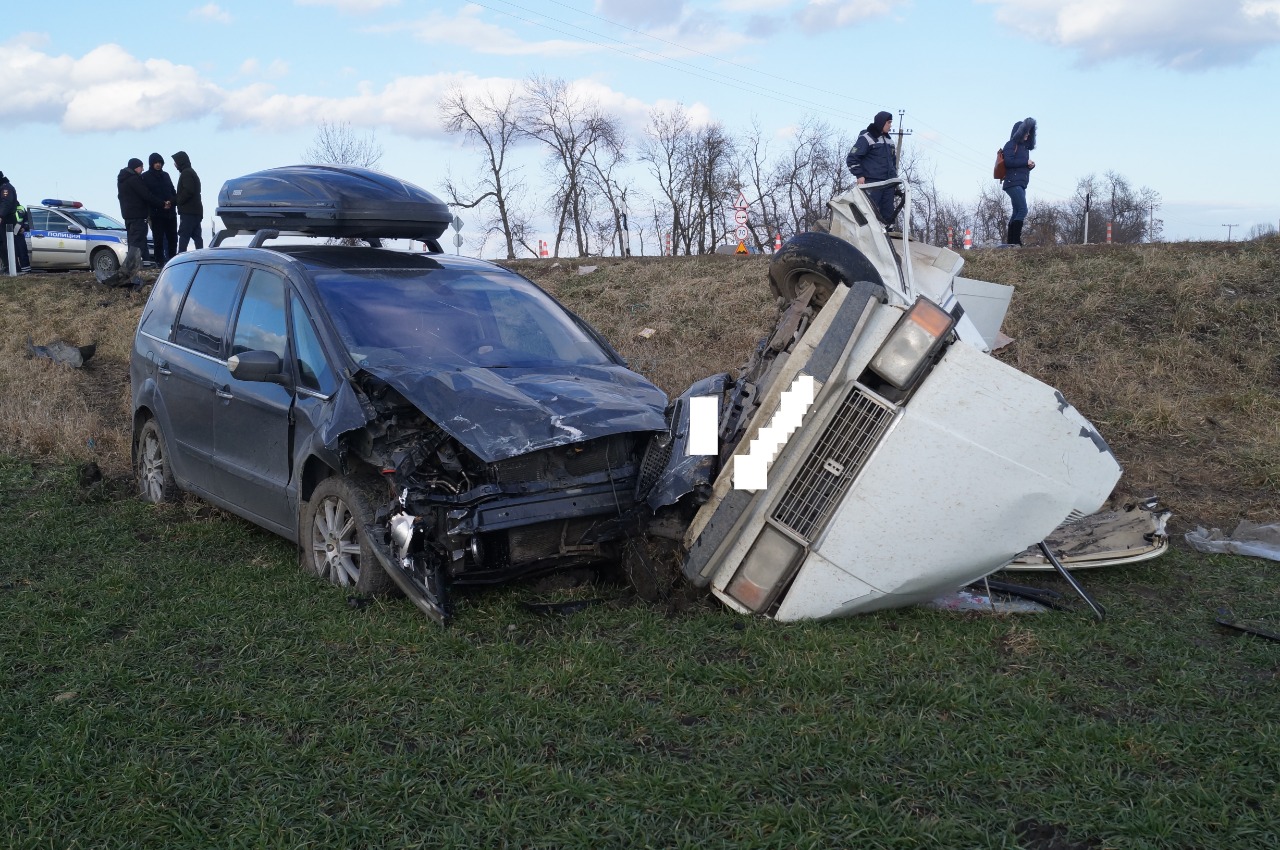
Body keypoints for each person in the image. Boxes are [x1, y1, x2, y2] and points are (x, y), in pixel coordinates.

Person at [846, 110, 899, 228]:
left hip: (888, 184)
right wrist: (859, 175)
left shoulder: (889, 141)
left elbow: (893, 162)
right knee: (869, 212)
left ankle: (888, 237)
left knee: (888, 214)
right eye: (889, 123)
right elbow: (852, 158)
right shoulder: (866, 138)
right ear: (881, 123)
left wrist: (894, 180)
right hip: (872, 183)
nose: (890, 126)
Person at [117, 157, 169, 270]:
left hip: (128, 215)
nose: (143, 169)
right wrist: (162, 203)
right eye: (141, 167)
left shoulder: (122, 180)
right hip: (138, 215)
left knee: (136, 239)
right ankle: (130, 266)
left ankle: (146, 262)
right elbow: (146, 195)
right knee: (137, 240)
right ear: (136, 167)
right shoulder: (134, 179)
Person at [1001, 117, 1037, 246]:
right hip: (1012, 182)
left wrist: (1029, 166)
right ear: (1020, 132)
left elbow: (1019, 166)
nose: (1028, 134)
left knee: (1016, 211)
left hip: (1020, 183)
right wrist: (1025, 162)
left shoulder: (1024, 149)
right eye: (1026, 131)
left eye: (1029, 132)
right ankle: (1016, 241)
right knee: (1023, 209)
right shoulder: (1011, 144)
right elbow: (1008, 162)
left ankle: (1011, 243)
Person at [141, 152, 178, 265]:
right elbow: (148, 195)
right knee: (158, 239)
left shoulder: (166, 175)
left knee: (173, 238)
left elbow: (172, 191)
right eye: (156, 163)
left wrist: (171, 202)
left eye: (160, 162)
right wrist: (162, 204)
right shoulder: (145, 177)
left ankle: (172, 261)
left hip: (170, 212)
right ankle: (159, 262)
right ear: (151, 164)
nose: (158, 165)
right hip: (156, 213)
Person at [171, 150, 204, 253]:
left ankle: (180, 257)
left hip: (188, 211)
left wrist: (178, 201)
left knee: (184, 236)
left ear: (180, 162)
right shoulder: (191, 172)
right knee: (196, 236)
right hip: (196, 211)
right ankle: (201, 256)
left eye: (175, 162)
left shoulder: (186, 173)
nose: (174, 164)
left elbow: (188, 190)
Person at [0, 171, 32, 273]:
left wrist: (0, 215)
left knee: (11, 246)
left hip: (10, 223)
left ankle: (15, 269)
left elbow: (6, 203)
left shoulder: (6, 188)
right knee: (3, 246)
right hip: (7, 222)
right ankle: (8, 267)